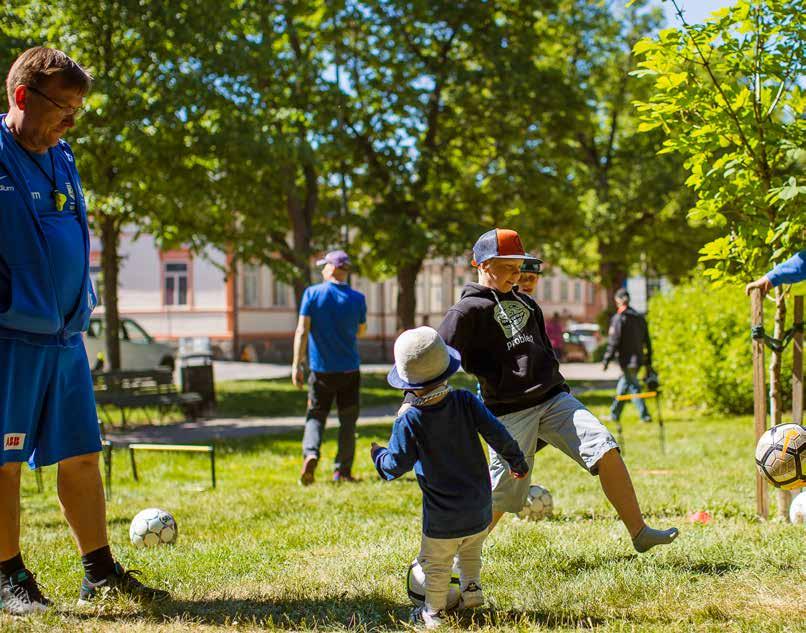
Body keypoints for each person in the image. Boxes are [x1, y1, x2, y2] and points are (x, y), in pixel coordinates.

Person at [0, 47, 168, 615]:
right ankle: (8, 577)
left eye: (77, 111)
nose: (71, 122)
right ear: (22, 95)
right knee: (4, 460)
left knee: (81, 454)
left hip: (66, 336)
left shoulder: (61, 155)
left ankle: (99, 571)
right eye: (63, 108)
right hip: (9, 340)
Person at [431, 227, 678, 552]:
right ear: (485, 264)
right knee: (503, 493)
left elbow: (543, 352)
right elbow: (436, 352)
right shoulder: (467, 311)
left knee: (604, 447)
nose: (517, 274)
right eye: (509, 267)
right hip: (509, 412)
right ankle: (449, 558)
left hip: (554, 399)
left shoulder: (527, 304)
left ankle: (639, 531)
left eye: (520, 267)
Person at [371, 327, 528, 629]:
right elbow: (497, 433)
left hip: (443, 518)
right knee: (470, 552)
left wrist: (378, 456)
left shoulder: (410, 419)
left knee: (437, 565)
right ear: (446, 369)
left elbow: (395, 465)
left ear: (408, 384)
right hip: (480, 508)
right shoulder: (466, 401)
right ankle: (472, 590)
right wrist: (516, 460)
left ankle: (433, 612)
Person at [292, 250, 367, 484]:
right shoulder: (357, 298)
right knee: (347, 421)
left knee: (315, 416)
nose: (322, 269)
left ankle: (311, 453)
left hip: (321, 371)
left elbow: (302, 330)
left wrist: (297, 365)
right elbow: (362, 331)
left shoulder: (312, 294)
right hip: (349, 371)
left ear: (332, 268)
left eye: (324, 265)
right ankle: (342, 471)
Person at [602, 289, 653, 424]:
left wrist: (607, 359)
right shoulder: (639, 317)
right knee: (624, 385)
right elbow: (647, 340)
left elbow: (614, 341)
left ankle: (645, 415)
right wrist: (649, 359)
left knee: (634, 387)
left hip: (627, 360)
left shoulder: (619, 318)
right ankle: (614, 414)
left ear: (618, 300)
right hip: (638, 359)